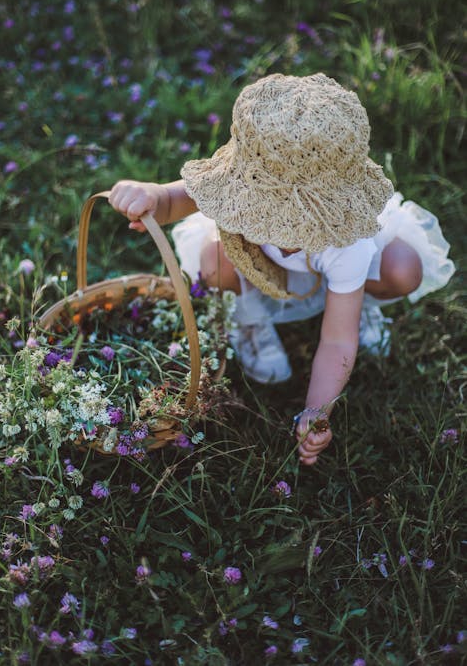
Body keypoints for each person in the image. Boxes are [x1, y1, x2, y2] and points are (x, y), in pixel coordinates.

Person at [108, 73, 455, 466]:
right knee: (215, 259)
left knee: (401, 268)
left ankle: (355, 306)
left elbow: (337, 344)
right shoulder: (240, 182)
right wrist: (149, 194)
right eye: (272, 214)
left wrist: (316, 411)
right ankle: (253, 322)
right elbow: (174, 199)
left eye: (292, 219)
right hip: (260, 271)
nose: (283, 231)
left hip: (332, 270)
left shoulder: (348, 238)